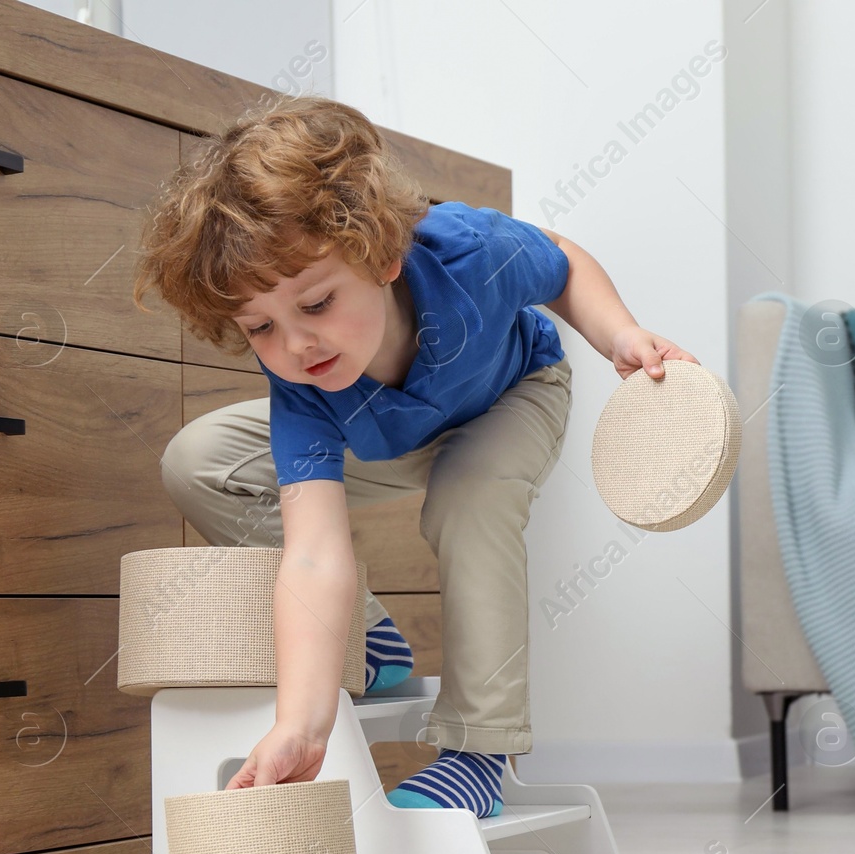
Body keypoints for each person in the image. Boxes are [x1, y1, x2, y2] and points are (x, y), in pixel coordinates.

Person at [132, 96, 697, 816]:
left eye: (314, 304)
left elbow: (562, 264)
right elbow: (313, 555)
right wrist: (301, 723)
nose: (296, 346)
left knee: (471, 496)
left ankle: (478, 751)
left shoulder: (468, 251)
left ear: (382, 254)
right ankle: (371, 641)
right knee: (197, 458)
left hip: (509, 394)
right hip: (391, 435)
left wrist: (618, 332)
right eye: (260, 328)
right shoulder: (300, 384)